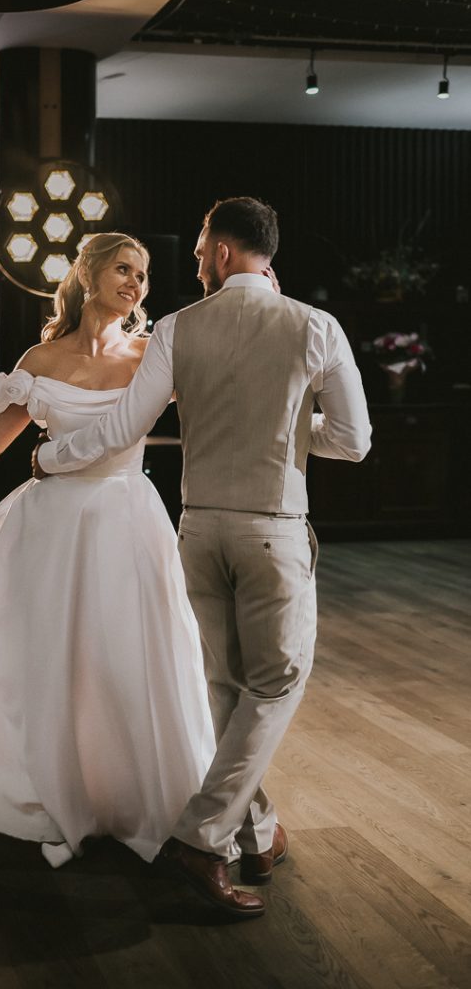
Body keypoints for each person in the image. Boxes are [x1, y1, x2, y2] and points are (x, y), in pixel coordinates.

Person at [35, 198, 372, 915]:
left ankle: (258, 832)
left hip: (197, 530)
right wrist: (288, 427)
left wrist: (50, 456)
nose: (193, 268)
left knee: (225, 686)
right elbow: (353, 440)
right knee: (276, 683)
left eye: (196, 254)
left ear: (222, 251)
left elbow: (123, 427)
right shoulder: (315, 326)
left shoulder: (177, 328)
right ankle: (201, 839)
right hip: (272, 531)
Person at [0, 234, 226, 889]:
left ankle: (142, 793)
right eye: (123, 268)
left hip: (128, 522)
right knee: (57, 660)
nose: (136, 283)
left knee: (131, 656)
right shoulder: (40, 360)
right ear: (88, 274)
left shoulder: (153, 355)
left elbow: (220, 399)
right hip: (52, 527)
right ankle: (67, 789)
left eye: (143, 274)